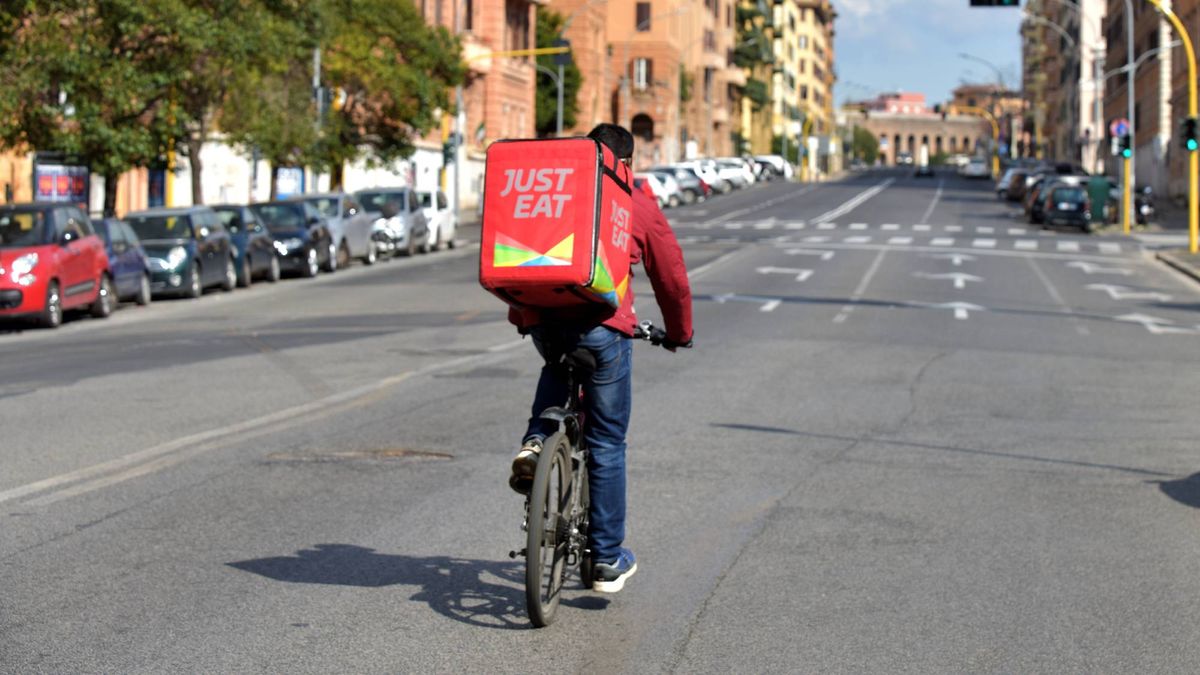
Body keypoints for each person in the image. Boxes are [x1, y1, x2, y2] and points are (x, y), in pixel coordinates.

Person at [507, 123, 693, 594]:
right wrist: (679, 333)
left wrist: (522, 313)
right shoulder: (632, 198)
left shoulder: (562, 187)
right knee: (607, 443)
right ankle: (606, 560)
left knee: (555, 362)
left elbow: (525, 248)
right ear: (626, 163)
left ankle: (535, 441)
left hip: (545, 321)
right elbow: (669, 275)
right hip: (603, 331)